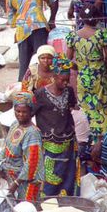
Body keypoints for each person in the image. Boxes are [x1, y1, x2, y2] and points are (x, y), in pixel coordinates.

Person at [34, 56, 80, 197]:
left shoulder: (69, 91)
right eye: (62, 80)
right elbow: (31, 113)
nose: (66, 83)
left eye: (67, 80)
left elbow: (72, 107)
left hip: (68, 140)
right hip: (49, 143)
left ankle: (66, 200)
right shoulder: (41, 94)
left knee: (68, 173)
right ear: (54, 76)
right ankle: (47, 200)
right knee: (50, 175)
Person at [66, 4, 107, 141]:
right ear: (97, 18)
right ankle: (102, 140)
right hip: (99, 80)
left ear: (80, 18)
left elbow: (66, 61)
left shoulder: (73, 36)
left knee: (85, 108)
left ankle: (86, 138)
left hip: (83, 80)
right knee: (101, 108)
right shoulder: (101, 35)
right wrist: (100, 69)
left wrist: (79, 68)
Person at [6, 0, 59, 82]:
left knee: (24, 67)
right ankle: (43, 89)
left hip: (22, 31)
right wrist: (52, 20)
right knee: (42, 61)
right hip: (38, 25)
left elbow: (11, 21)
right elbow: (54, 0)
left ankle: (22, 93)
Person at [0, 91, 44, 203]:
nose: (20, 114)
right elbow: (6, 149)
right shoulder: (14, 125)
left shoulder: (32, 133)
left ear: (31, 112)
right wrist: (0, 171)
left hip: (25, 182)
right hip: (11, 177)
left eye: (24, 112)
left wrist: (16, 183)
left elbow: (32, 162)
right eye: (18, 111)